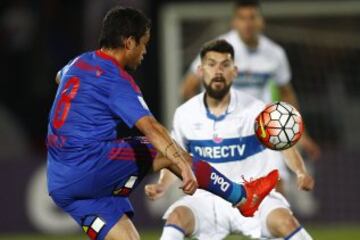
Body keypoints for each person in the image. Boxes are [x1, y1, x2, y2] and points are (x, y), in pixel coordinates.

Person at [46, 7, 278, 240]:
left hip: (60, 182)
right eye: (143, 43)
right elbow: (152, 128)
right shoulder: (115, 80)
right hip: (88, 165)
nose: (145, 51)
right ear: (129, 43)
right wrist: (183, 164)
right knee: (167, 149)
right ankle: (243, 197)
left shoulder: (79, 63)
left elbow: (60, 77)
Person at [145, 39, 314, 240]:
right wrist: (162, 185)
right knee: (176, 217)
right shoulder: (185, 114)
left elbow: (283, 144)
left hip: (253, 197)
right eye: (211, 64)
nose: (218, 71)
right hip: (206, 199)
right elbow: (174, 156)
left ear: (234, 71)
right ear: (200, 71)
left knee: (286, 222)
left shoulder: (256, 109)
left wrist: (301, 172)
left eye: (225, 65)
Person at [181, 0, 321, 192]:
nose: (247, 23)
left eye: (252, 18)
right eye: (242, 18)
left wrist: (301, 134)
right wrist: (201, 120)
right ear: (234, 22)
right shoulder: (218, 50)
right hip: (224, 129)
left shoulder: (275, 53)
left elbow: (286, 92)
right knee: (223, 192)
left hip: (262, 128)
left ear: (261, 21)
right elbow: (188, 86)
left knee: (277, 186)